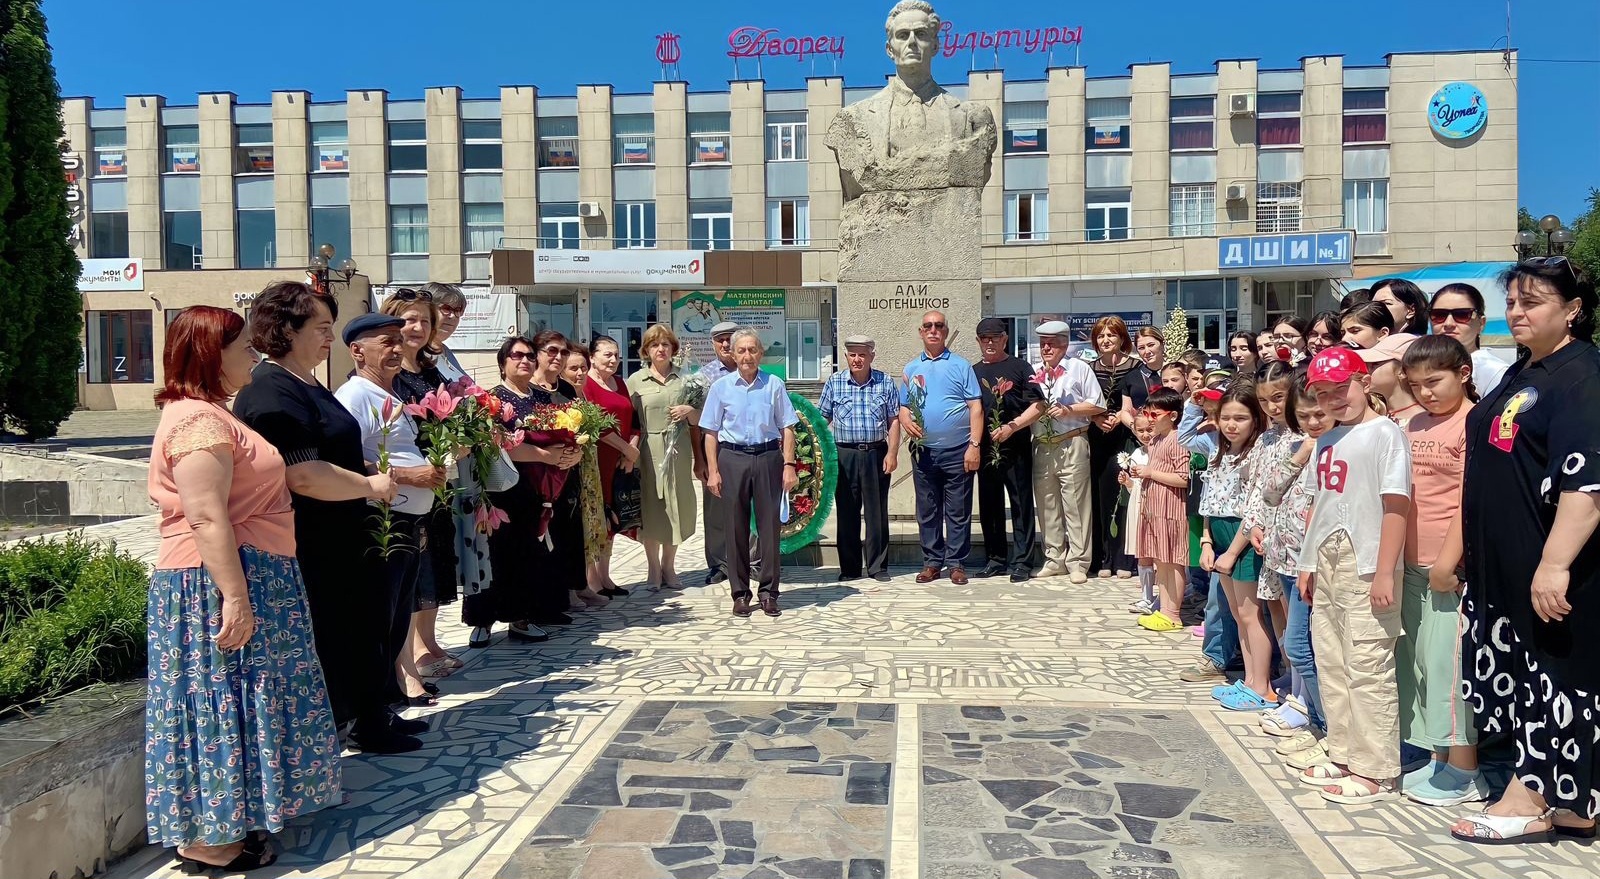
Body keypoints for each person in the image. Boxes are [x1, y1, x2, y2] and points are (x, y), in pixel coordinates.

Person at [146, 306, 341, 871]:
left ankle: (232, 820)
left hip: (248, 572)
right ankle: (211, 839)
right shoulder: (198, 423)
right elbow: (206, 517)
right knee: (222, 696)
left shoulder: (208, 413)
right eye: (242, 349)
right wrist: (235, 597)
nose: (252, 360)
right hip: (221, 579)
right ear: (212, 353)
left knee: (240, 697)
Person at [232, 283, 422, 755]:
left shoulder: (308, 381)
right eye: (320, 329)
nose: (328, 339)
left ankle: (371, 717)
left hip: (345, 536)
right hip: (314, 543)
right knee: (336, 638)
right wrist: (370, 485)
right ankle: (339, 730)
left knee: (366, 630)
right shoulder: (273, 391)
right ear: (286, 330)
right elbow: (303, 473)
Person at [1453, 258, 1600, 844]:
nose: (1517, 311)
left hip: (1552, 565)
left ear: (1572, 310)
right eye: (1512, 301)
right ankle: (1575, 803)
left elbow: (1586, 481)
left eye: (1532, 301)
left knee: (1556, 679)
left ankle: (1532, 794)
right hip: (1503, 567)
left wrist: (1555, 563)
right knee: (1526, 676)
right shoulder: (1524, 372)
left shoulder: (1582, 376)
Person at [1297, 346, 1411, 805]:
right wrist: (1306, 562)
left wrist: (1385, 571)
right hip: (1326, 559)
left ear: (1364, 381)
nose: (1333, 400)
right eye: (1322, 393)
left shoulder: (1386, 434)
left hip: (1367, 561)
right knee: (1332, 660)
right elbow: (1317, 506)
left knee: (1368, 665)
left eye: (1341, 388)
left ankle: (1377, 770)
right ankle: (1344, 754)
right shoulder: (1325, 439)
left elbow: (1396, 503)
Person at [333, 314, 450, 708]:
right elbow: (346, 463)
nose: (397, 349)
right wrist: (408, 475)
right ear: (357, 350)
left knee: (399, 612)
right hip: (382, 521)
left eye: (399, 341)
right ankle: (377, 703)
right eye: (386, 342)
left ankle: (394, 689)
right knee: (381, 616)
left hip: (407, 519)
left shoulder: (390, 394)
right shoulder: (355, 396)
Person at [1396, 335, 1489, 807]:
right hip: (1409, 565)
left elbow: (1469, 499)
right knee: (1418, 668)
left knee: (1448, 667)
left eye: (1434, 381)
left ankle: (1467, 770)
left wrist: (1448, 561)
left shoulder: (1475, 422)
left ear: (1464, 373)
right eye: (1415, 385)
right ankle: (1438, 759)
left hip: (1447, 568)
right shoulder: (1410, 423)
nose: (1425, 393)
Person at [465, 336, 573, 645]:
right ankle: (482, 620)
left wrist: (569, 453)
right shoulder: (490, 399)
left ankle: (521, 618)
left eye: (528, 356)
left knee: (527, 554)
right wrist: (543, 455)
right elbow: (495, 444)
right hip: (499, 488)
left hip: (537, 487)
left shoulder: (541, 398)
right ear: (503, 363)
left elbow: (563, 434)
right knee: (491, 555)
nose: (524, 361)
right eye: (516, 356)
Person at [379, 289, 462, 692]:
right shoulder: (388, 376)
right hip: (406, 485)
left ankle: (428, 640)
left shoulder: (431, 370)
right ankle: (410, 652)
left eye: (425, 321)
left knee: (437, 562)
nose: (417, 328)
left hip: (439, 480)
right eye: (410, 320)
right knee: (416, 566)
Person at [418, 283, 504, 638]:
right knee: (428, 557)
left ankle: (429, 640)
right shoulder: (417, 357)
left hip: (459, 468)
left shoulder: (447, 354)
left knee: (444, 554)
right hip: (432, 467)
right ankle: (420, 645)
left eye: (457, 311)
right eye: (445, 309)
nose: (451, 317)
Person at [1259, 374, 1333, 771]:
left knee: (1305, 648)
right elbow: (1270, 492)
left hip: (1320, 567)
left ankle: (1327, 727)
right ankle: (1316, 721)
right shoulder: (1299, 446)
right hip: (1286, 559)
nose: (1312, 423)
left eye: (1319, 414)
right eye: (1304, 416)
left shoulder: (1341, 448)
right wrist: (1300, 452)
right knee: (1296, 644)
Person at [700, 329, 799, 617]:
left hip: (768, 457)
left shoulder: (774, 385)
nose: (747, 356)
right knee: (735, 528)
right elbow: (710, 433)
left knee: (769, 529)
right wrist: (713, 471)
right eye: (741, 350)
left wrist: (789, 465)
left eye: (752, 350)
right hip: (732, 458)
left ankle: (769, 593)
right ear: (732, 353)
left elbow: (787, 427)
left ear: (761, 353)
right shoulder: (721, 388)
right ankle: (740, 593)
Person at [1200, 384, 1274, 710]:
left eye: (1241, 418)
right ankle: (1250, 679)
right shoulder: (1221, 452)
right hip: (1220, 536)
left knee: (1250, 613)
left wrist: (1231, 552)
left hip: (1241, 538)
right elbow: (1209, 502)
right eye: (1226, 418)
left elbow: (1254, 506)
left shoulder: (1256, 453)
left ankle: (1263, 686)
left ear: (1255, 420)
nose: (1232, 425)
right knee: (1236, 613)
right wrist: (1206, 542)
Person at [900, 309, 984, 585]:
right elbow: (903, 405)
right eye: (928, 326)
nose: (933, 330)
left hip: (958, 450)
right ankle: (932, 562)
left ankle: (957, 563)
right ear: (921, 332)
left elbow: (975, 407)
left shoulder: (962, 366)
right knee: (928, 510)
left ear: (946, 332)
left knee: (957, 510)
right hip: (924, 452)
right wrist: (903, 418)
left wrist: (974, 445)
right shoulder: (911, 368)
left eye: (938, 326)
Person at [1240, 363, 1298, 723]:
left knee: (1295, 618)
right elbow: (1257, 487)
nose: (1272, 407)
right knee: (1275, 606)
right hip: (1267, 537)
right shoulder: (1266, 437)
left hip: (1293, 538)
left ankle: (1303, 683)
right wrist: (1255, 526)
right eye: (1264, 401)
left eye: (1278, 397)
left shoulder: (1303, 434)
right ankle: (1289, 676)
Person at [818, 334, 901, 583]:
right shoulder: (834, 382)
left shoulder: (885, 382)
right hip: (844, 455)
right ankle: (850, 568)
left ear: (871, 356)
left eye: (862, 354)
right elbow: (822, 419)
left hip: (876, 453)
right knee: (847, 512)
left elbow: (894, 420)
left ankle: (877, 566)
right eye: (852, 354)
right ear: (846, 357)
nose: (857, 359)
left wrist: (893, 452)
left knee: (877, 513)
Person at [1030, 319, 1107, 583]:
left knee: (1075, 504)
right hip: (1042, 444)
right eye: (1043, 344)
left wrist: (1069, 410)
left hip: (1072, 439)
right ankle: (1054, 558)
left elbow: (1097, 404)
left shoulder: (1079, 368)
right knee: (1047, 504)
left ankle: (1078, 561)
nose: (1046, 349)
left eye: (1051, 344)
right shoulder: (1035, 371)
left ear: (1064, 344)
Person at [973, 318, 1046, 582]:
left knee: (1020, 504)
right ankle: (995, 560)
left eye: (995, 337)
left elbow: (1039, 405)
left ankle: (1022, 562)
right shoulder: (973, 371)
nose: (989, 342)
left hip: (1015, 446)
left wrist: (1012, 427)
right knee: (989, 505)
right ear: (979, 341)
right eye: (984, 338)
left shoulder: (1020, 367)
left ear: (1005, 338)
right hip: (985, 448)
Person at [630, 324, 699, 589]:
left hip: (678, 451)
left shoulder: (685, 380)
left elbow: (698, 421)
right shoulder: (636, 381)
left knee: (677, 507)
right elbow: (629, 420)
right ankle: (653, 570)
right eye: (654, 345)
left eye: (665, 345)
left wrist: (688, 409)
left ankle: (669, 567)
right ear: (646, 350)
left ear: (673, 349)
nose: (661, 349)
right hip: (648, 452)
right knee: (652, 508)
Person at [582, 334, 640, 597]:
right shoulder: (586, 385)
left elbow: (634, 419)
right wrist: (625, 448)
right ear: (592, 357)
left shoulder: (620, 383)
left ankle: (606, 576)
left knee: (613, 519)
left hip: (621, 462)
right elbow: (598, 426)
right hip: (597, 461)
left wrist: (631, 452)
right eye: (607, 354)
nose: (613, 360)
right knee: (596, 517)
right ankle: (591, 579)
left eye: (616, 354)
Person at [1130, 389, 1190, 630]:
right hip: (1155, 507)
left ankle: (1173, 613)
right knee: (1160, 561)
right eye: (1147, 413)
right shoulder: (1155, 440)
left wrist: (1151, 473)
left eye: (1155, 414)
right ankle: (1163, 608)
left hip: (1171, 507)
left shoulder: (1177, 439)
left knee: (1173, 560)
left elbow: (1184, 478)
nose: (1150, 419)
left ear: (1173, 415)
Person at [1088, 316, 1139, 579]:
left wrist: (1120, 416)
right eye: (1101, 336)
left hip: (1124, 437)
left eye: (1111, 335)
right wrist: (1096, 418)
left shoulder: (1135, 368)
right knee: (1100, 497)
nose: (1106, 340)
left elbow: (1136, 401)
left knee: (1123, 496)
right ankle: (1102, 558)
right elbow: (1082, 401)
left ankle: (1124, 558)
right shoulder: (1089, 368)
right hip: (1097, 438)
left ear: (1122, 339)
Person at [563, 343, 612, 608]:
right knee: (574, 530)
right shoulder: (561, 398)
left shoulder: (582, 398)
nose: (580, 373)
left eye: (583, 367)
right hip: (571, 471)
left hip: (589, 470)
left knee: (590, 527)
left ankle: (583, 585)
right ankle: (571, 588)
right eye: (573, 368)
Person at [695, 321, 742, 585]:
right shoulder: (704, 376)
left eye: (729, 339)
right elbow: (695, 424)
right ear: (713, 344)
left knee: (749, 507)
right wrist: (700, 460)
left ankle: (751, 561)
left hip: (747, 450)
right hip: (715, 449)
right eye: (720, 340)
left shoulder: (752, 370)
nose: (725, 344)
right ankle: (718, 564)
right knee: (715, 511)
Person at [1429, 282, 1509, 396]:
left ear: (1481, 323)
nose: (1448, 323)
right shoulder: (1417, 364)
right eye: (1439, 315)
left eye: (1462, 314)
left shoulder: (1495, 372)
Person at [1121, 411, 1155, 613]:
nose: (1145, 434)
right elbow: (1134, 487)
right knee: (1142, 551)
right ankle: (1146, 596)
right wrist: (1127, 482)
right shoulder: (1136, 454)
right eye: (1140, 430)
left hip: (1157, 504)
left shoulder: (1161, 450)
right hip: (1139, 504)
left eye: (1149, 429)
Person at [1357, 333, 1423, 425]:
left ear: (1403, 371)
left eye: (1375, 364)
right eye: (1366, 364)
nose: (1366, 370)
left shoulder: (1423, 422)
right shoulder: (1372, 415)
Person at [1117, 327, 1167, 428]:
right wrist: (1135, 428)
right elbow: (1125, 411)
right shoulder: (1131, 377)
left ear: (1162, 344)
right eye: (1141, 348)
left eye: (1151, 345)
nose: (1147, 351)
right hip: (1141, 436)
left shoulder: (1177, 372)